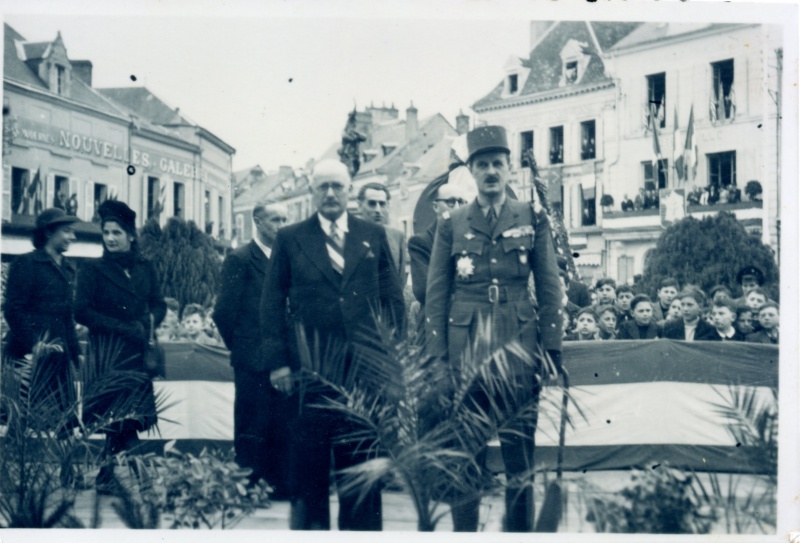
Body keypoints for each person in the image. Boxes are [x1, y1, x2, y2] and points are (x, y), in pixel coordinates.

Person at [425, 125, 563, 532]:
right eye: (482, 165)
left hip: (519, 352)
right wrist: (437, 359)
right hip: (465, 354)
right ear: (471, 171)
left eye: (497, 164)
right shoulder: (452, 223)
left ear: (508, 170)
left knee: (520, 460)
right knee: (465, 457)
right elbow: (436, 295)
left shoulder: (532, 217)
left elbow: (550, 286)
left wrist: (552, 348)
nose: (490, 172)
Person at [260, 159, 405, 531]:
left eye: (336, 187)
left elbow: (393, 303)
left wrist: (390, 363)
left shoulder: (371, 234)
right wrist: (278, 362)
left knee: (361, 473)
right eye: (322, 187)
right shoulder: (291, 238)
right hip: (311, 375)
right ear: (312, 192)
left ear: (349, 190)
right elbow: (272, 302)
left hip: (363, 376)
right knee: (309, 475)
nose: (329, 194)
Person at [74, 200, 166, 491]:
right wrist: (125, 328)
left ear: (131, 235)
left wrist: (148, 323)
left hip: (137, 355)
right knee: (116, 418)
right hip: (108, 355)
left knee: (124, 419)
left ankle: (105, 477)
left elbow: (159, 304)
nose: (110, 238)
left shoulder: (145, 267)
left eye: (117, 232)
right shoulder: (92, 269)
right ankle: (143, 477)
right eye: (106, 233)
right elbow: (82, 311)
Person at [213, 202, 292, 497]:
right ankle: (247, 485)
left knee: (281, 423)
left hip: (282, 358)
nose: (282, 224)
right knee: (252, 422)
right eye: (275, 219)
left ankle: (279, 485)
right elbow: (223, 312)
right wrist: (244, 349)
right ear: (258, 222)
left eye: (285, 218)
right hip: (252, 359)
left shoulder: (288, 258)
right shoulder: (241, 258)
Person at [3, 208, 81, 437]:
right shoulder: (26, 263)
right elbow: (13, 310)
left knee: (65, 423)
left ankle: (68, 473)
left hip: (58, 356)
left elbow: (68, 315)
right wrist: (33, 344)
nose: (72, 237)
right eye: (67, 231)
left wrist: (75, 353)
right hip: (28, 357)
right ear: (48, 232)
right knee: (20, 421)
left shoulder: (68, 267)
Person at [408, 181, 472, 307]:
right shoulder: (421, 243)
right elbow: (424, 291)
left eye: (462, 202)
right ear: (436, 207)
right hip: (438, 316)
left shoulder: (471, 240)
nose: (457, 208)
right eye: (451, 202)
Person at [357, 182, 407, 286]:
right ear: (360, 206)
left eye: (382, 204)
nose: (378, 210)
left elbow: (400, 279)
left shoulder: (397, 236)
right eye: (372, 203)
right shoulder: (348, 235)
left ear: (388, 206)